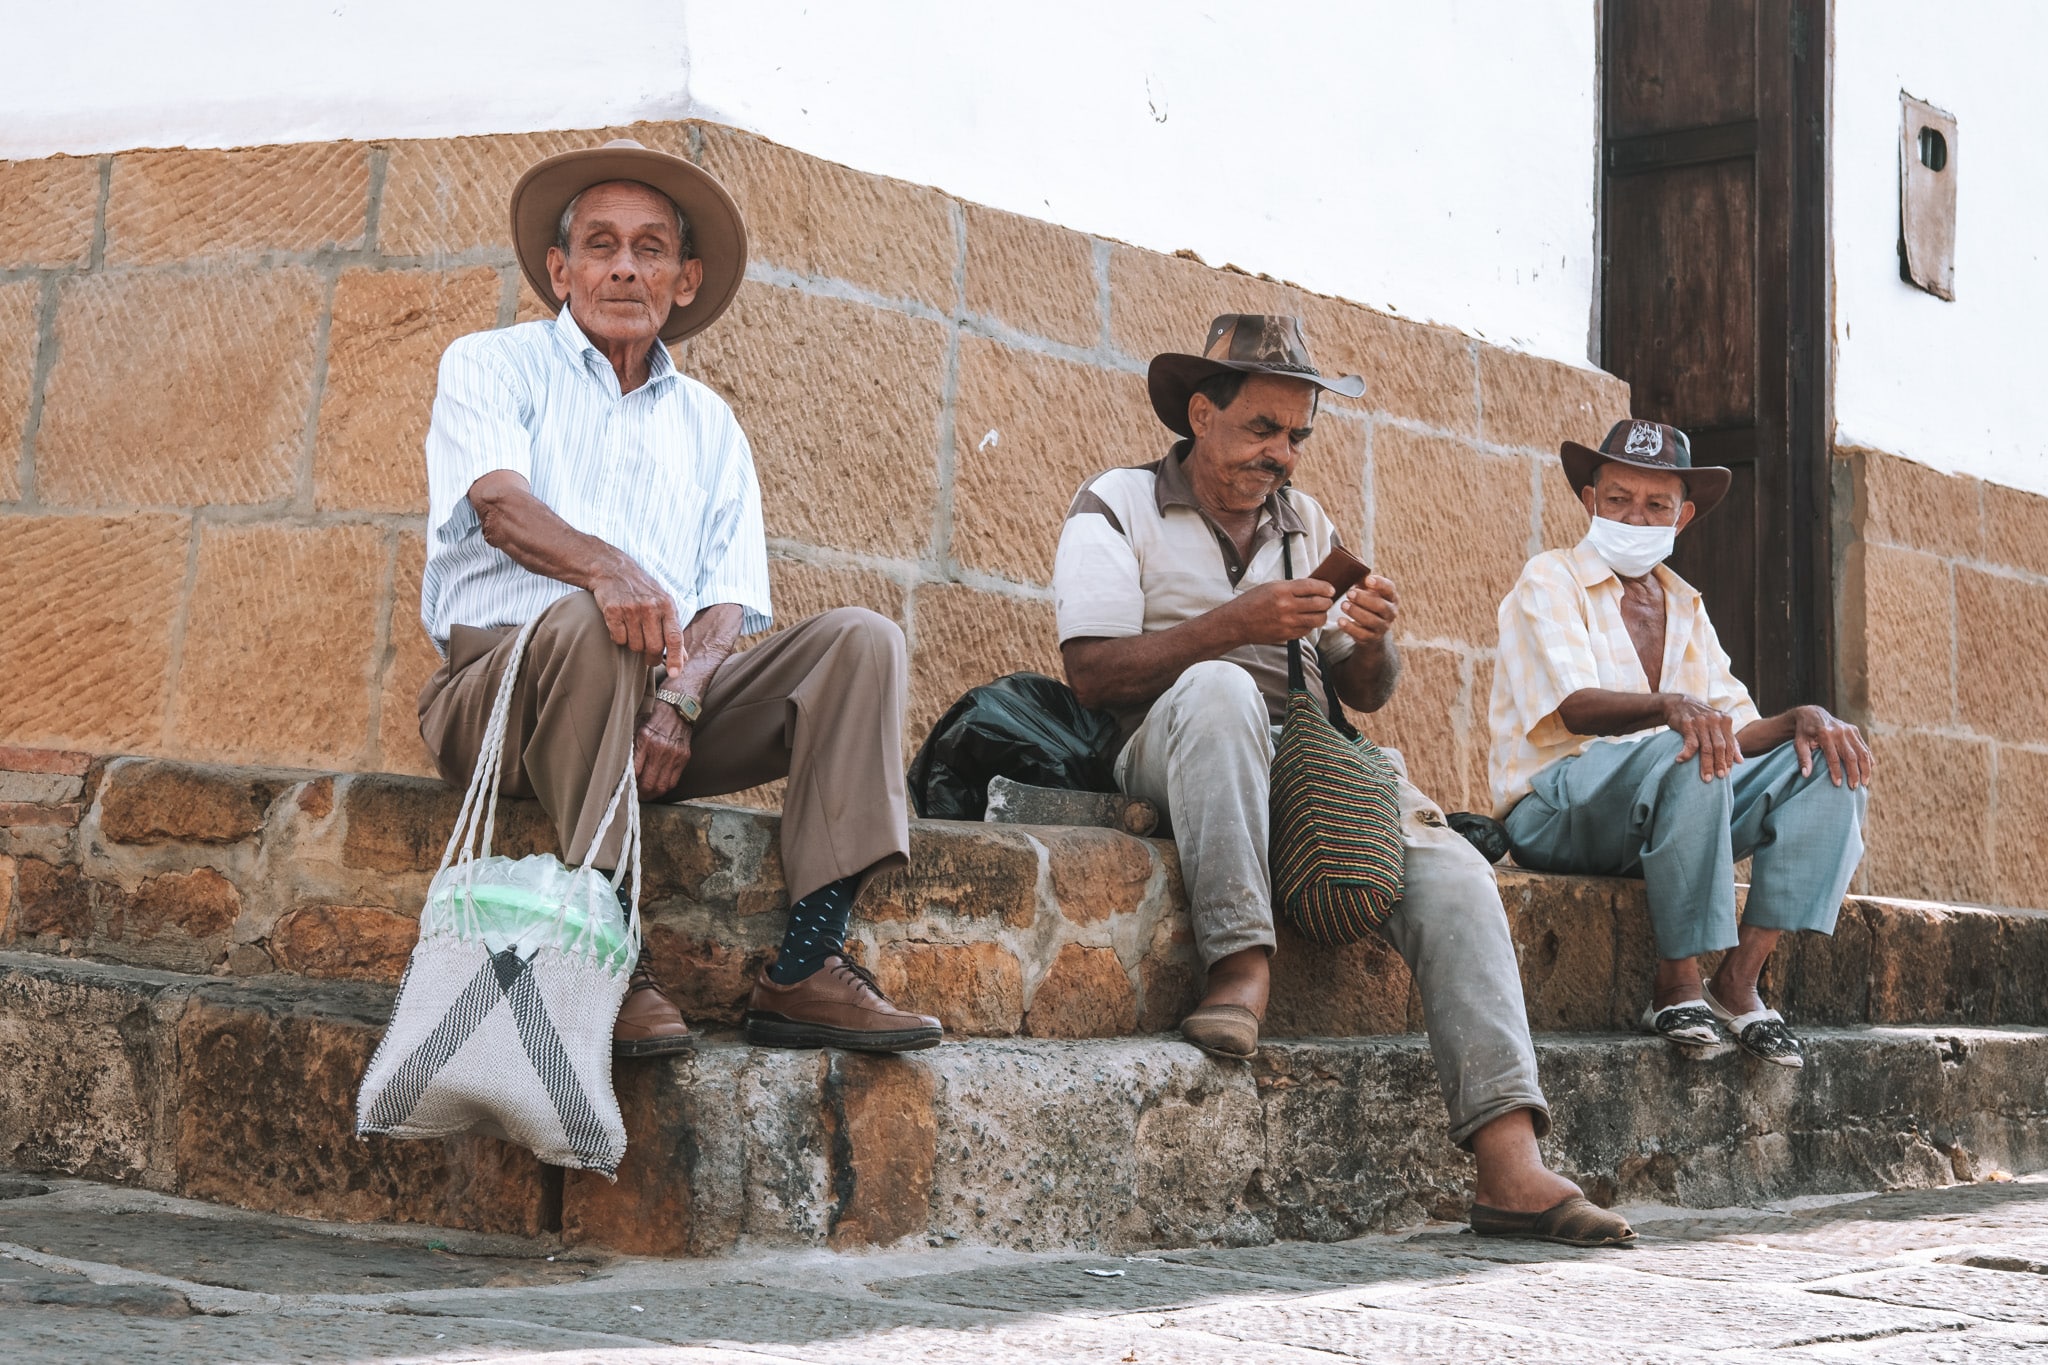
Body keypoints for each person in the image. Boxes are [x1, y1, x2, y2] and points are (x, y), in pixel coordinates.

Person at [1052, 314, 1634, 1248]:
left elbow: (1363, 693)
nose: (1282, 454)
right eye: (1263, 428)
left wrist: (1372, 641)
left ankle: (1509, 1162)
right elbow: (1090, 673)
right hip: (1171, 742)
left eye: (1297, 435)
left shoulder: (1305, 523)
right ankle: (1240, 966)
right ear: (1201, 414)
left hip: (1308, 754)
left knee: (1456, 872)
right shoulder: (1116, 504)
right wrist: (1234, 625)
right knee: (1219, 690)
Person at [417, 139, 941, 1058]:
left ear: (684, 280)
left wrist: (682, 699)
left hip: (655, 711)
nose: (625, 266)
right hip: (500, 695)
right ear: (560, 270)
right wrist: (606, 568)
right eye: (602, 245)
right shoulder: (491, 363)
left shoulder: (711, 424)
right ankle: (606, 953)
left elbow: (728, 604)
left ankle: (807, 966)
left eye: (650, 248)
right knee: (595, 617)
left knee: (862, 643)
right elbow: (499, 508)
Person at [1490, 419, 1872, 1068]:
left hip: (1666, 804)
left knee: (1829, 768)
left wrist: (1799, 719)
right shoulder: (1549, 579)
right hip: (1556, 809)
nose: (1635, 517)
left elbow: (1737, 729)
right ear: (1590, 500)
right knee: (1692, 744)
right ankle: (1676, 984)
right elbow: (1575, 705)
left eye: (1656, 504)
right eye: (1618, 499)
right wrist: (1671, 707)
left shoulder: (1683, 604)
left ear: (1683, 516)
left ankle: (1737, 982)